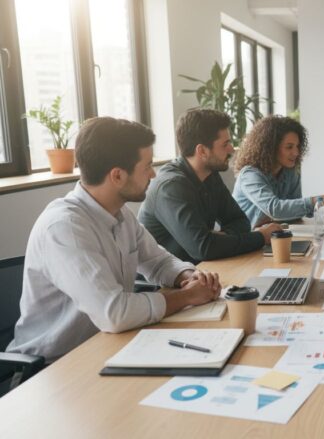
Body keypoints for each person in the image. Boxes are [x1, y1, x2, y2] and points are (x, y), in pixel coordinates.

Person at [7, 117, 221, 362]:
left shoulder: (119, 215)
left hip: (108, 346)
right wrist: (187, 296)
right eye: (147, 166)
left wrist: (188, 277)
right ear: (117, 176)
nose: (153, 174)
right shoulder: (65, 228)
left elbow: (158, 261)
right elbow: (114, 313)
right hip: (52, 366)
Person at [139, 109, 281, 263]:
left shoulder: (209, 175)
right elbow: (204, 249)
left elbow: (240, 221)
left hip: (198, 272)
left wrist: (219, 239)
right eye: (225, 144)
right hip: (161, 284)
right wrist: (261, 236)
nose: (231, 150)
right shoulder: (171, 187)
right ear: (202, 151)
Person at [232, 115, 324, 228]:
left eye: (297, 146)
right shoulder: (250, 175)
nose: (296, 153)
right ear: (270, 148)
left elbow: (294, 214)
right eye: (289, 147)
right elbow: (275, 209)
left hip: (274, 237)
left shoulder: (289, 172)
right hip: (247, 242)